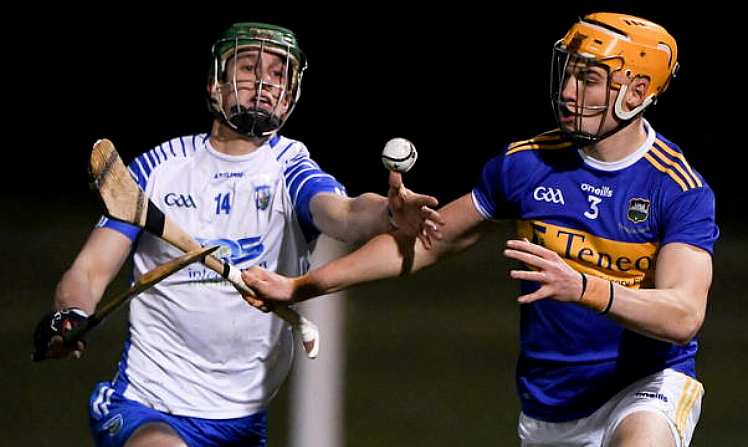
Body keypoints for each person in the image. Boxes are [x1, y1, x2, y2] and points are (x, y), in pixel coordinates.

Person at [241, 13, 719, 447]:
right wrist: (301, 285)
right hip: (550, 406)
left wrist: (585, 288)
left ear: (636, 93)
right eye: (570, 72)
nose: (570, 91)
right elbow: (428, 244)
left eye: (590, 79)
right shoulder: (526, 164)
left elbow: (682, 315)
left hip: (645, 385)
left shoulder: (677, 188)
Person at [32, 22, 442, 447]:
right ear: (215, 84)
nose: (265, 82)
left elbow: (343, 212)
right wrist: (72, 314)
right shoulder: (157, 170)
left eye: (279, 73)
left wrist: (387, 214)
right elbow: (89, 271)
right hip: (147, 405)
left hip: (241, 424)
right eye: (249, 68)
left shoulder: (289, 166)